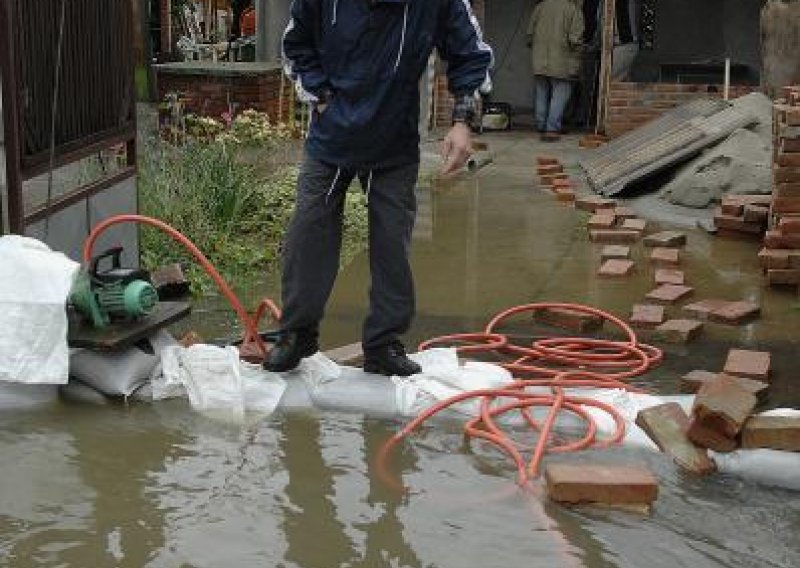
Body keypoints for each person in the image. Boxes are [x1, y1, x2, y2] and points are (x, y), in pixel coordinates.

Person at [264, 0, 493, 377]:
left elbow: (470, 53)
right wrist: (321, 97)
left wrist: (463, 121)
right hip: (332, 136)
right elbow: (296, 45)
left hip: (394, 138)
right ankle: (297, 333)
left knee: (392, 242)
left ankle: (383, 344)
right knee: (309, 231)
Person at [526, 0, 584, 141]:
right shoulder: (573, 10)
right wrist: (580, 53)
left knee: (541, 92)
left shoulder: (540, 7)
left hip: (539, 60)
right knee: (560, 93)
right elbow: (575, 39)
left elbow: (529, 36)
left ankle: (541, 125)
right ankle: (552, 128)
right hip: (562, 60)